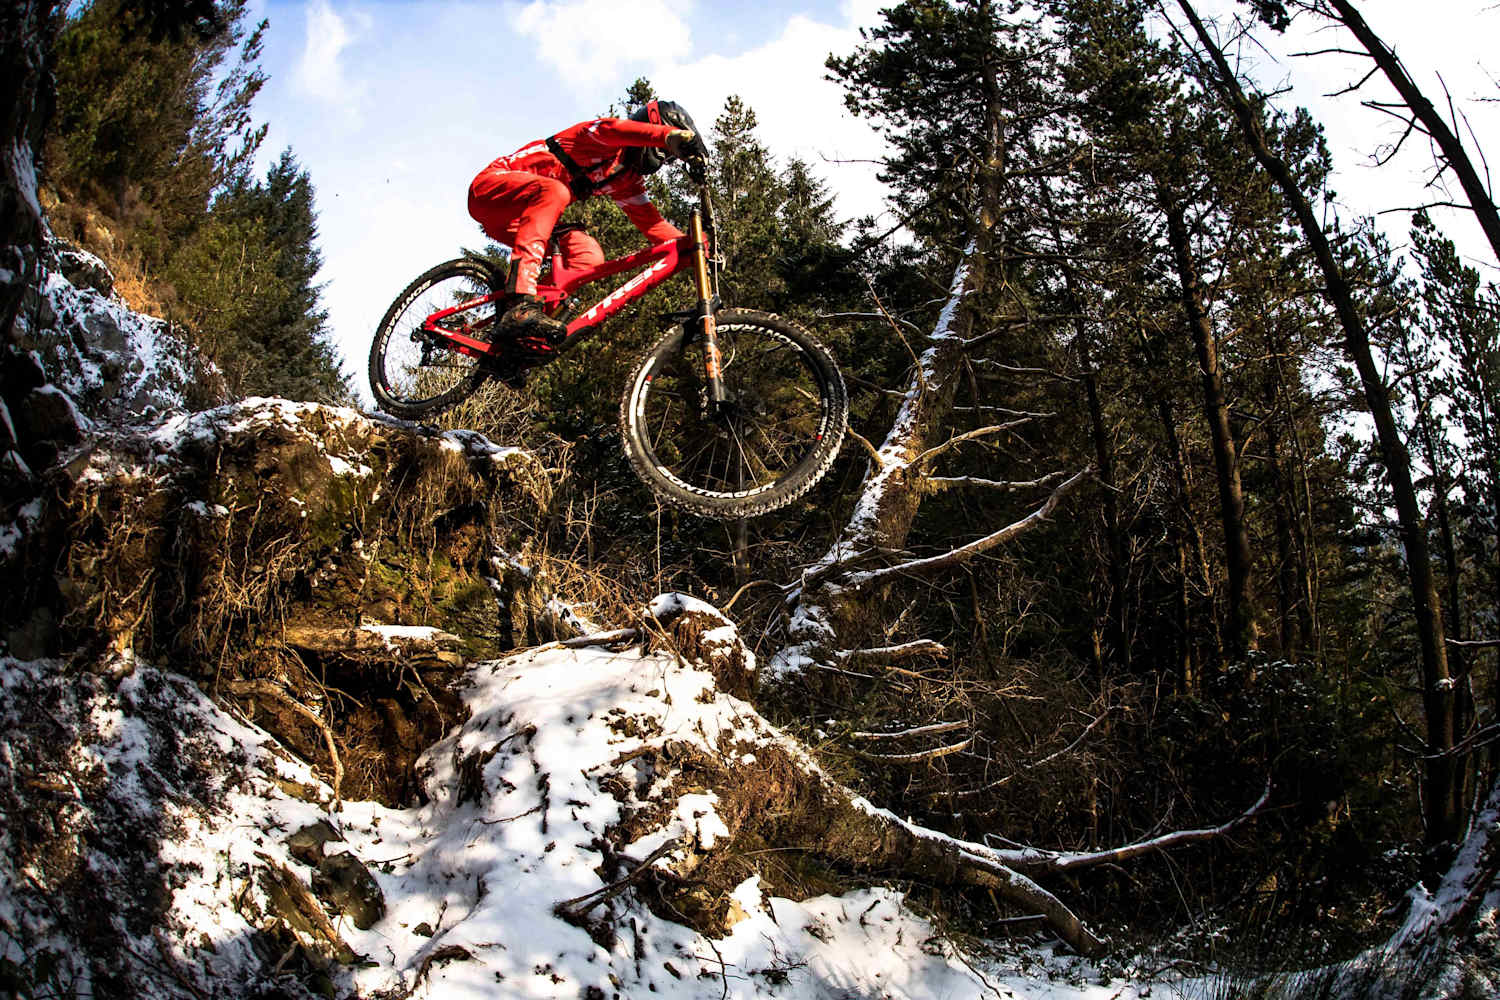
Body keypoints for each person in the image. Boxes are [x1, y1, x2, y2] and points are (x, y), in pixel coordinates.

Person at [467, 100, 708, 359]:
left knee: (587, 255)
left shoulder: (624, 179)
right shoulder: (602, 138)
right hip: (490, 189)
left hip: (525, 221)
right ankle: (521, 302)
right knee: (555, 191)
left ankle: (518, 335)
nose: (663, 160)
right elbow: (613, 128)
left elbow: (654, 226)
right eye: (665, 152)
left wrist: (699, 248)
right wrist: (669, 136)